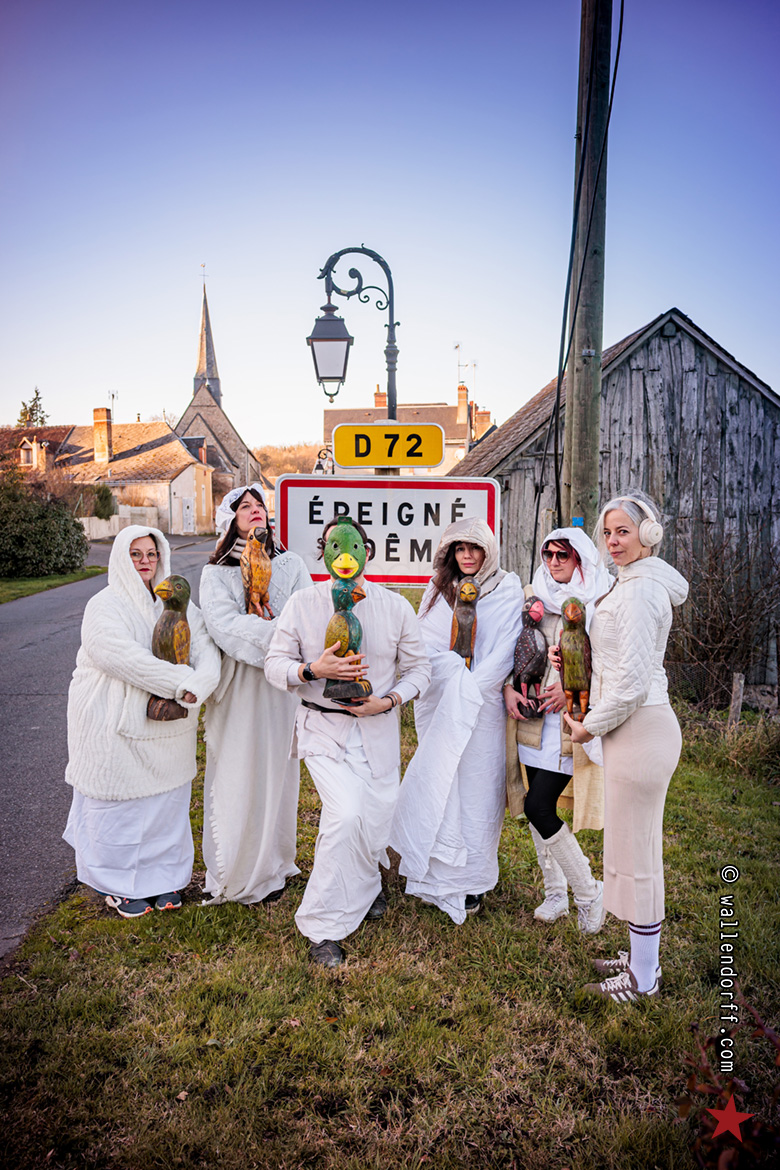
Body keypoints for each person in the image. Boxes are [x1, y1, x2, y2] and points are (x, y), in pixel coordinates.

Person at [264, 516, 431, 968]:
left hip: (378, 731)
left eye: (353, 547)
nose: (344, 556)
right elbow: (274, 665)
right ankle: (323, 928)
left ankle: (367, 886)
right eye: (333, 547)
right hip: (322, 730)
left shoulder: (394, 607)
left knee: (375, 822)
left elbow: (420, 670)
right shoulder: (302, 604)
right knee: (345, 816)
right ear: (324, 552)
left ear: (366, 552)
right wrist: (312, 670)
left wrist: (389, 700)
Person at [564, 494, 688, 1002]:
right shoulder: (630, 582)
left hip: (639, 728)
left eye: (624, 531)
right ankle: (640, 958)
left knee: (639, 854)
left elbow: (634, 684)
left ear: (649, 534)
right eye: (608, 532)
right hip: (630, 728)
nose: (613, 541)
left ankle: (644, 978)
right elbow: (619, 661)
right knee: (630, 846)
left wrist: (588, 727)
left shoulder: (640, 592)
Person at [63, 525, 221, 918]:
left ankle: (165, 879)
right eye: (136, 554)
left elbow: (206, 650)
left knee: (166, 806)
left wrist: (198, 685)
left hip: (169, 725)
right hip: (111, 720)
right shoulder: (104, 605)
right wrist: (180, 682)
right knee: (121, 807)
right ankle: (118, 885)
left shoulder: (177, 604)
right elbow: (120, 657)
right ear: (121, 558)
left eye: (151, 554)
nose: (145, 561)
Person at [389, 518, 525, 923]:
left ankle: (471, 880)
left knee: (478, 792)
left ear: (488, 551)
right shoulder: (437, 589)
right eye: (459, 549)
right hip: (441, 703)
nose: (467, 555)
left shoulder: (507, 589)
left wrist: (470, 687)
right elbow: (421, 645)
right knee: (441, 783)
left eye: (474, 548)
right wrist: (452, 677)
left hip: (483, 708)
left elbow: (506, 649)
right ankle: (437, 874)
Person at [198, 484, 313, 905]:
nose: (254, 510)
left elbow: (306, 613)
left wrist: (286, 642)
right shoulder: (215, 574)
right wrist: (279, 636)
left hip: (281, 687)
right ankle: (238, 870)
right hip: (240, 687)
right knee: (240, 769)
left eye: (259, 504)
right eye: (243, 506)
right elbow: (223, 625)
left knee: (278, 774)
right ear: (230, 520)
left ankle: (275, 864)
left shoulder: (291, 563)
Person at [503, 528, 611, 933]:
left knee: (539, 806)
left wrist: (570, 690)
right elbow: (515, 648)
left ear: (579, 558)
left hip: (571, 722)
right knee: (536, 804)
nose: (553, 562)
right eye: (547, 553)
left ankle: (589, 891)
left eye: (562, 555)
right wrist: (511, 685)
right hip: (534, 720)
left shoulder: (599, 600)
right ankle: (555, 894)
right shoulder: (535, 596)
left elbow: (609, 665)